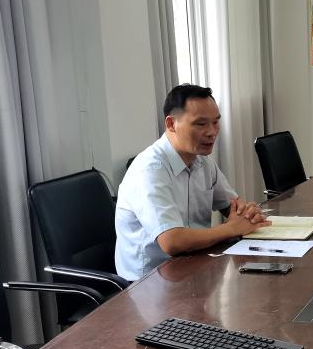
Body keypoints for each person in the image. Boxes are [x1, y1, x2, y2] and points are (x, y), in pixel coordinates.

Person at [115, 84, 270, 280]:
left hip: (195, 264)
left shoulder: (203, 161)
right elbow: (172, 241)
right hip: (149, 281)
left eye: (216, 122)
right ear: (171, 124)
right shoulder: (149, 170)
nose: (212, 132)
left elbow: (234, 207)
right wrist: (232, 228)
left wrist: (247, 214)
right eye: (201, 124)